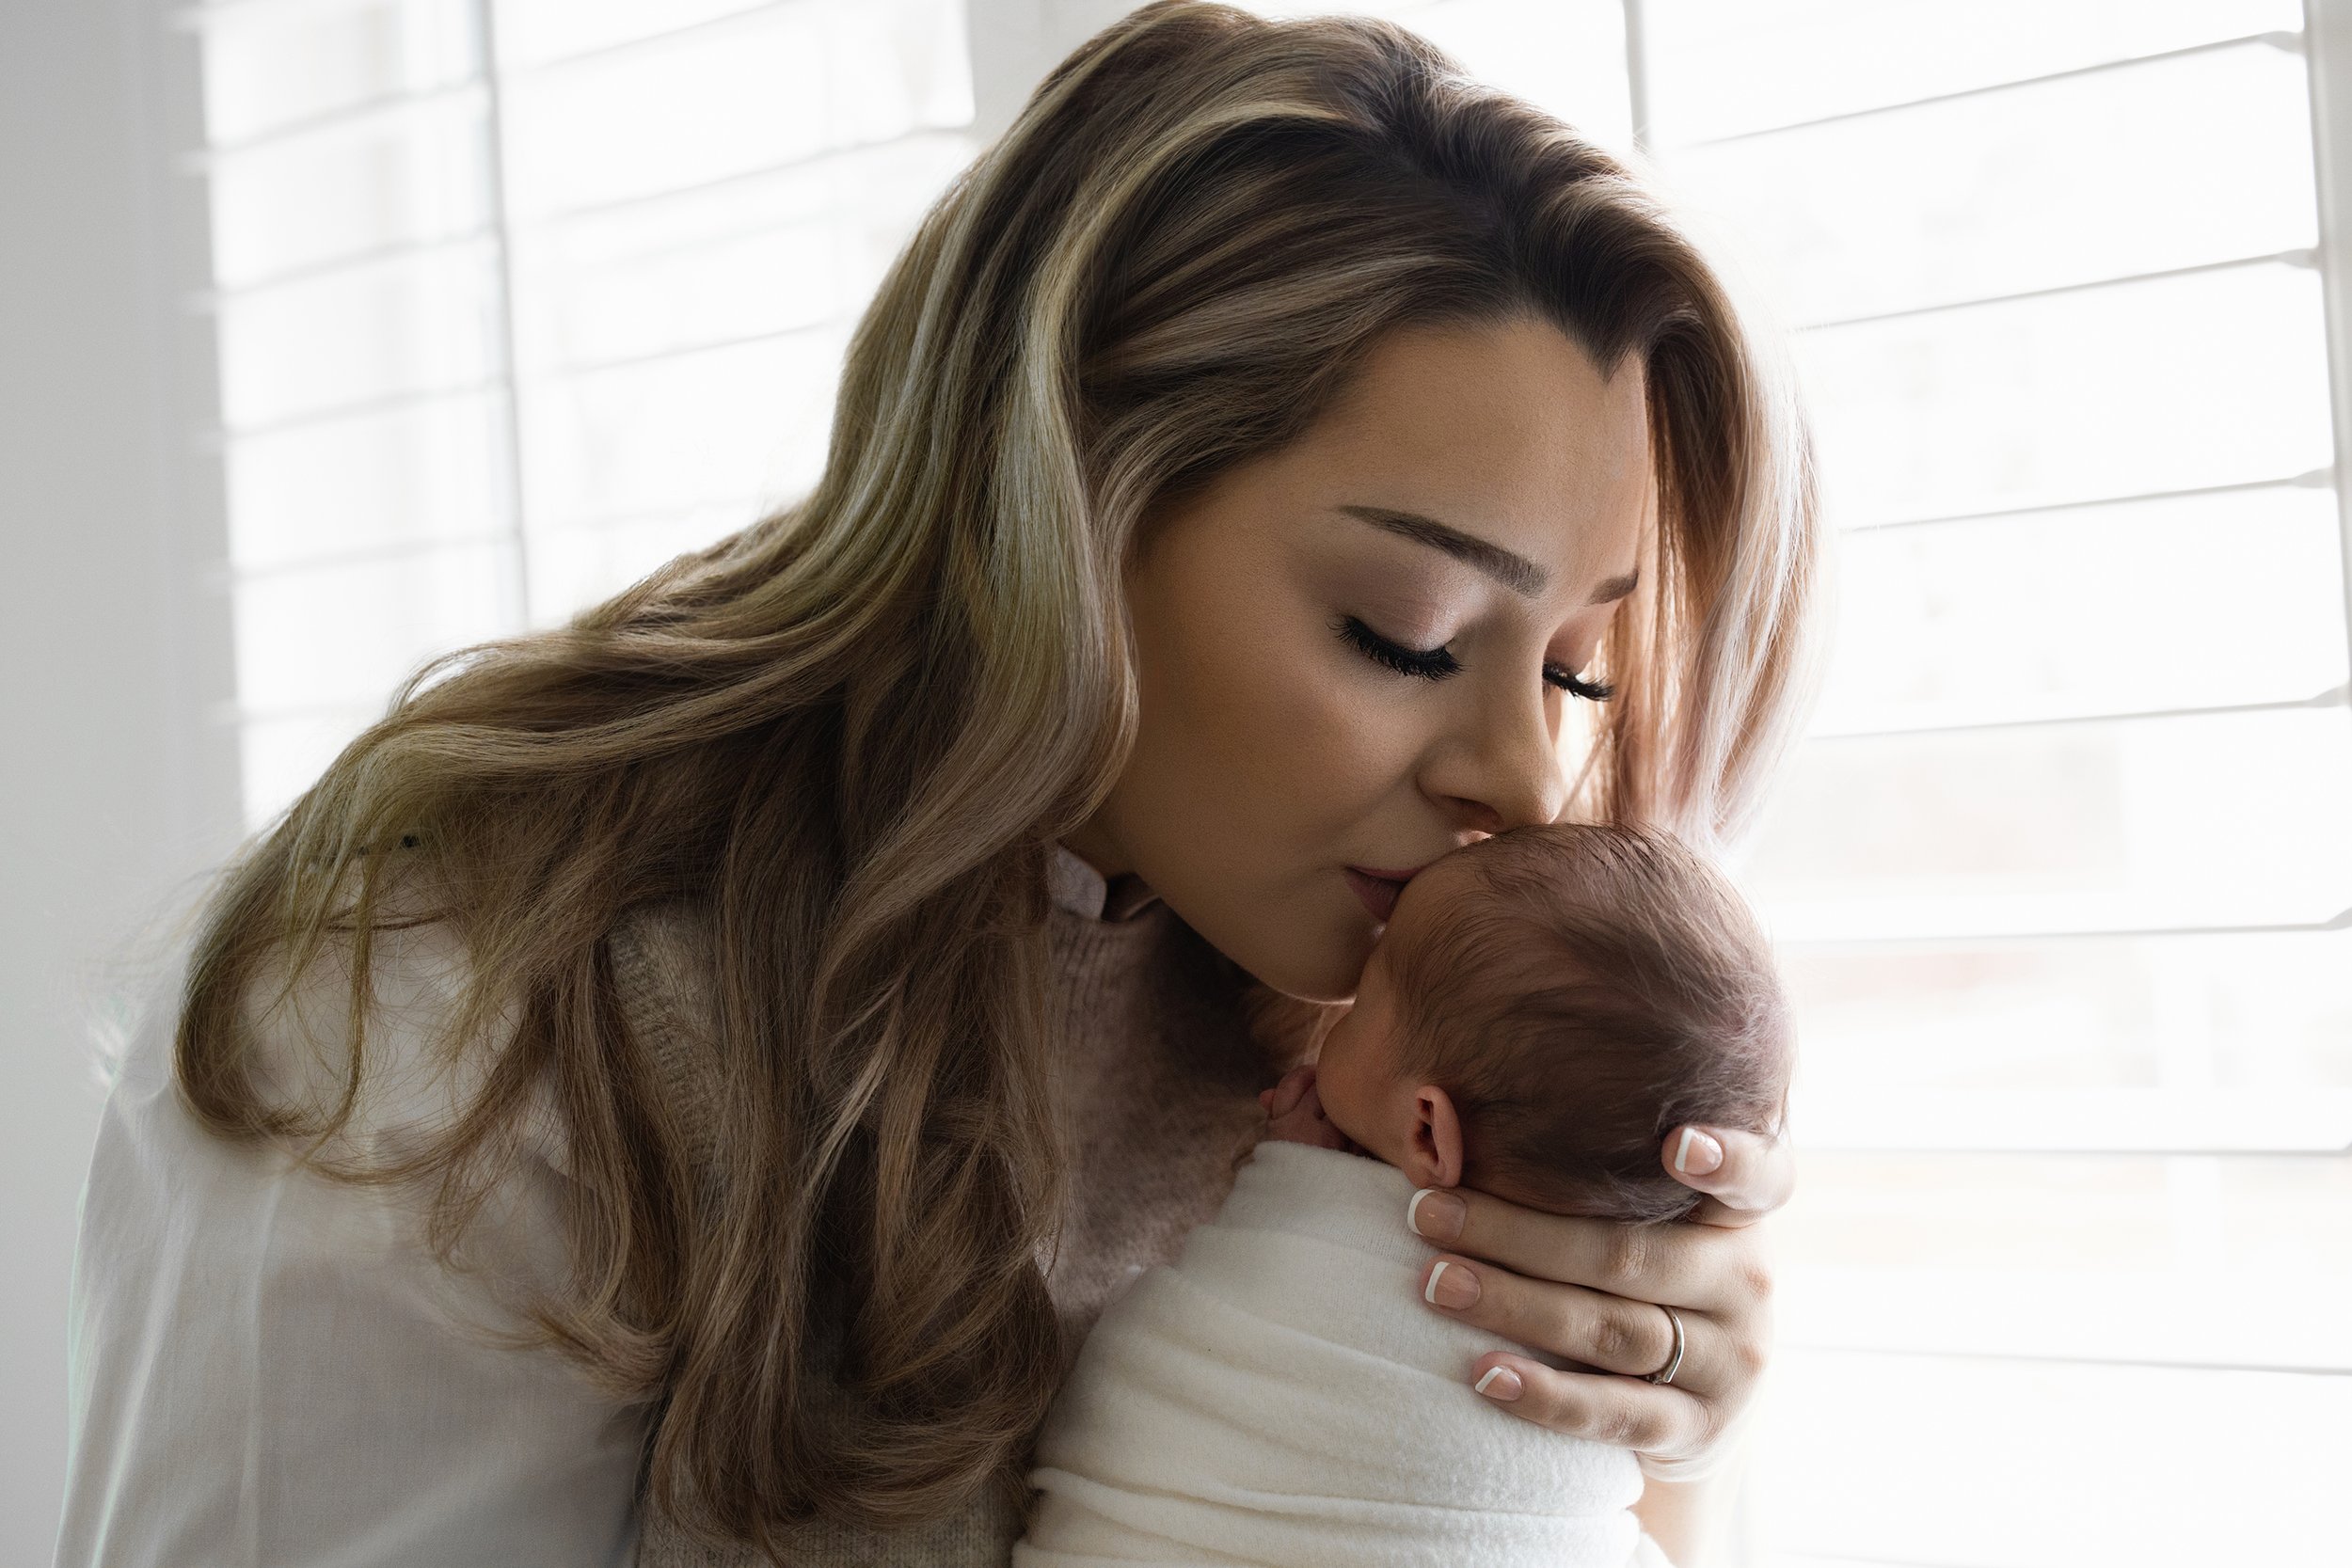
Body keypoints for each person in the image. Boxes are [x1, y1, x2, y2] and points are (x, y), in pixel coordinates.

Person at [53, 3, 1824, 1565]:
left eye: (1582, 665)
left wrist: (1641, 1429)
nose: (1528, 772)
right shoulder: (448, 1043)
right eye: (1409, 630)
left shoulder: (1381, 1033)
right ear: (1061, 510)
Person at [1012, 822, 1793, 1565]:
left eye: (1360, 1007)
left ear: (1427, 1131)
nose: (1529, 778)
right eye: (1416, 668)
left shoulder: (1647, 1318)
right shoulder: (1591, 1341)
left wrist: (1289, 1161)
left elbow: (1261, 1273)